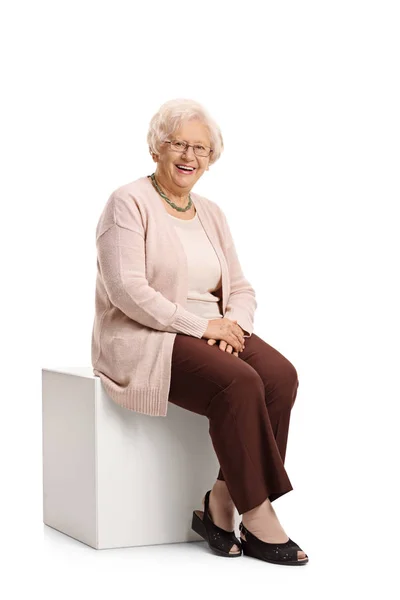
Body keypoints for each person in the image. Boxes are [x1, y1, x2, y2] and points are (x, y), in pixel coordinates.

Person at [91, 98, 308, 565]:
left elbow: (242, 286)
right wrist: (200, 325)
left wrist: (233, 327)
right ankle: (255, 511)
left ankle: (222, 501)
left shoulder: (210, 212)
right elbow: (127, 290)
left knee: (280, 376)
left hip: (213, 329)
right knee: (239, 381)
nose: (189, 156)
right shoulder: (127, 203)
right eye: (178, 144)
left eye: (201, 149)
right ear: (156, 148)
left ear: (212, 158)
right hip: (149, 335)